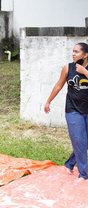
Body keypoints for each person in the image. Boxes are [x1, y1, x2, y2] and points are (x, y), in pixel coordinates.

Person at [44, 42, 88, 181]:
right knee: (80, 142)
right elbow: (59, 84)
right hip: (73, 110)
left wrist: (85, 72)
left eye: (77, 52)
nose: (73, 54)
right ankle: (84, 174)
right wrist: (48, 101)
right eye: (73, 51)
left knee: (84, 142)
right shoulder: (68, 68)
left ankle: (69, 163)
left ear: (86, 55)